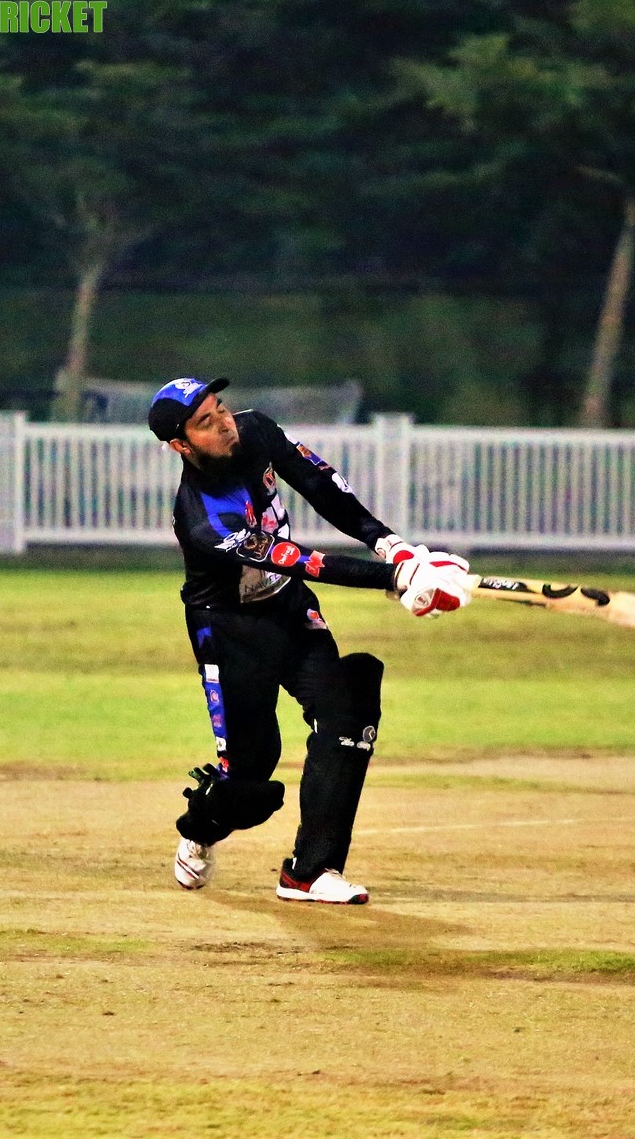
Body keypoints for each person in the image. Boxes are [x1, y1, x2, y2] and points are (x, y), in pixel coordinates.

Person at [147, 376, 471, 904]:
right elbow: (296, 559)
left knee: (347, 710)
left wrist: (392, 547)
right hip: (229, 631)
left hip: (289, 608)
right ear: (181, 445)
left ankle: (310, 871)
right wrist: (394, 579)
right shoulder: (203, 517)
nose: (224, 422)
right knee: (250, 785)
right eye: (205, 421)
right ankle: (200, 828)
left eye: (220, 407)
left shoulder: (255, 430)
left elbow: (320, 485)